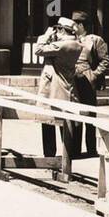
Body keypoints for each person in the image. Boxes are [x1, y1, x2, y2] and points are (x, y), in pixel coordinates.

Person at [36, 16, 82, 158]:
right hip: (65, 89)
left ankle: (50, 158)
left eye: (57, 29)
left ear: (61, 30)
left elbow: (38, 50)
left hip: (53, 91)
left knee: (49, 123)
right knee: (64, 125)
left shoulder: (63, 45)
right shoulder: (75, 44)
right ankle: (67, 158)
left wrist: (46, 35)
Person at [71, 10, 109, 158]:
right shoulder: (70, 38)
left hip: (87, 79)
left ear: (81, 24)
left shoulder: (95, 40)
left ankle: (91, 149)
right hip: (73, 79)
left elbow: (105, 61)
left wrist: (94, 75)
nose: (73, 26)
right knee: (75, 114)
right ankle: (75, 150)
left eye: (75, 23)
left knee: (89, 114)